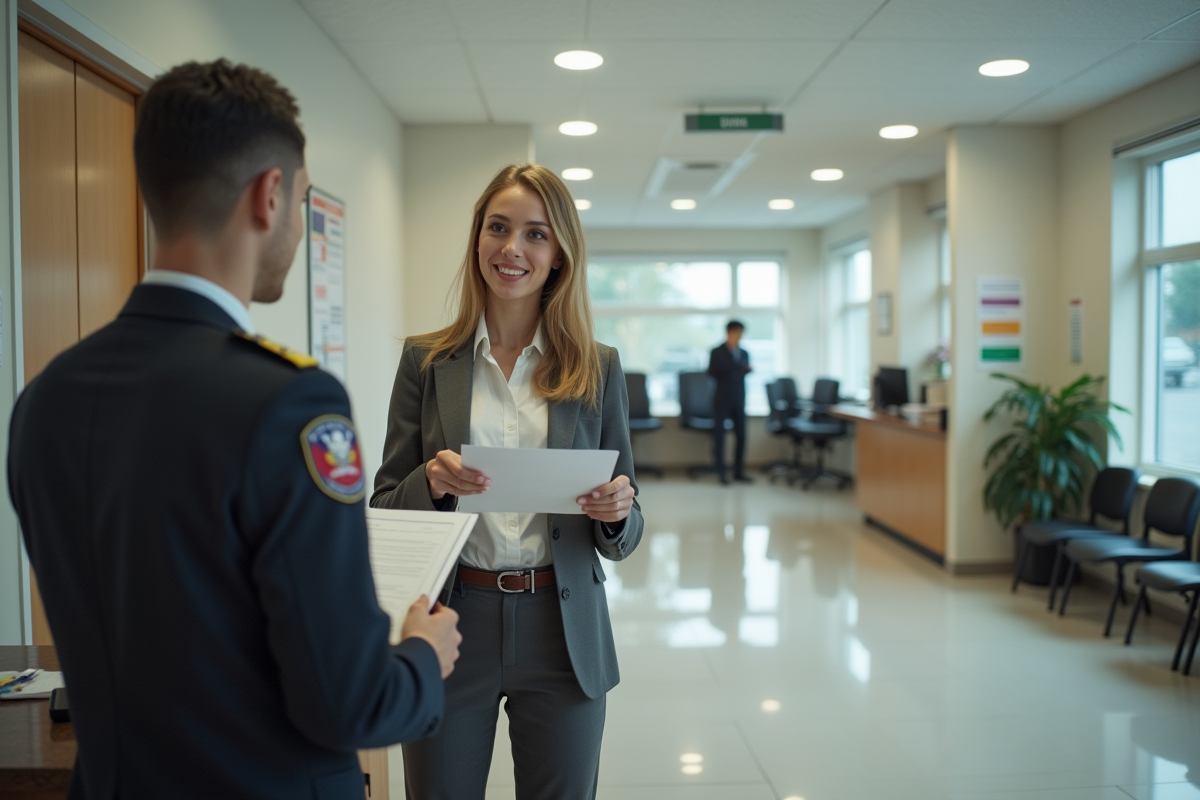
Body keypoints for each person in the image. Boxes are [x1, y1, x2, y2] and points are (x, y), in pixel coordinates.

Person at [7, 60, 460, 800]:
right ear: (269, 195)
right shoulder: (289, 403)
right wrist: (419, 654)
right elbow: (348, 702)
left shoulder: (45, 399)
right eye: (304, 204)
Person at [372, 163, 644, 800]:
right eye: (498, 228)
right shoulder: (427, 361)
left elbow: (626, 533)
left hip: (562, 626)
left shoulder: (596, 368)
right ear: (477, 241)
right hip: (451, 620)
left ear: (559, 256)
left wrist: (614, 510)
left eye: (535, 234)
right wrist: (431, 484)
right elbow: (385, 503)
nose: (512, 249)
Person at [708, 320, 753, 484]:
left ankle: (738, 471)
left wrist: (740, 369)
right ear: (730, 332)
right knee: (720, 437)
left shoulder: (744, 352)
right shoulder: (717, 352)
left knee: (741, 435)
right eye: (738, 333)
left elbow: (743, 371)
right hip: (722, 400)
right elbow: (713, 371)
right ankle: (721, 471)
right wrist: (738, 369)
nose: (740, 337)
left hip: (739, 399)